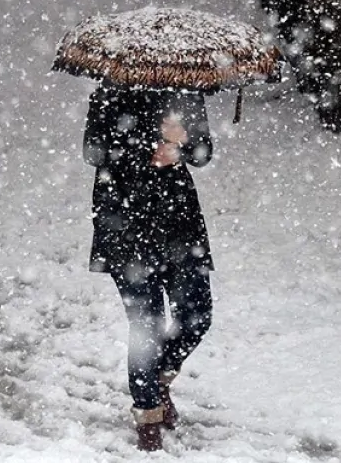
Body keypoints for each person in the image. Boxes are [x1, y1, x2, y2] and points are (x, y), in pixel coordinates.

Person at [83, 81, 214, 451]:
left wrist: (182, 143)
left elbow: (203, 153)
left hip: (179, 223)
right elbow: (94, 152)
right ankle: (147, 417)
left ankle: (156, 380)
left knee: (197, 314)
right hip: (125, 222)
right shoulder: (109, 93)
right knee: (147, 325)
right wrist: (150, 144)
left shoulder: (186, 92)